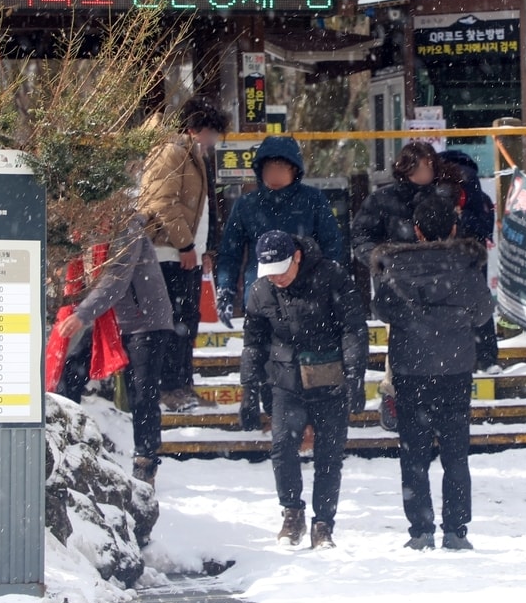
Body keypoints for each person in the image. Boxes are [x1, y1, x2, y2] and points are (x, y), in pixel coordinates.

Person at [372, 195, 494, 550]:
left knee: (414, 453)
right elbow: (483, 311)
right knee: (456, 453)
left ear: (418, 230)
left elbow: (382, 310)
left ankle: (421, 530)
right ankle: (456, 530)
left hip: (411, 370)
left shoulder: (396, 267)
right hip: (455, 369)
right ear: (454, 227)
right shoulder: (466, 267)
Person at [239, 230, 368, 548]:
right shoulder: (260, 292)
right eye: (270, 273)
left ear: (297, 256)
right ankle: (292, 512)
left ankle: (323, 523)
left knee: (329, 456)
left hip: (329, 377)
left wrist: (355, 376)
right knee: (282, 449)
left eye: (282, 270)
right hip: (284, 380)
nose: (277, 279)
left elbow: (353, 329)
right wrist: (248, 390)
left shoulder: (332, 277)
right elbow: (253, 344)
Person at [55, 212, 175, 487]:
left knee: (142, 393)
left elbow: (115, 282)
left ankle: (145, 462)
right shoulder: (80, 232)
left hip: (146, 322)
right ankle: (70, 444)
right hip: (108, 320)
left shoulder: (127, 231)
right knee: (72, 372)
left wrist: (82, 315)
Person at [138, 96, 227, 412]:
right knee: (174, 322)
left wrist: (202, 248)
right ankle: (170, 388)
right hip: (167, 253)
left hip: (185, 253)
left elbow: (199, 210)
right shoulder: (172, 152)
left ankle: (182, 385)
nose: (213, 141)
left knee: (186, 321)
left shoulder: (192, 156)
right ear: (195, 129)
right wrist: (186, 245)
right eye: (211, 133)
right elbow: (164, 204)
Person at [214, 135, 345, 326]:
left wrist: (330, 285)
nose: (273, 172)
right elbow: (230, 253)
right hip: (259, 294)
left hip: (307, 294)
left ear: (294, 169)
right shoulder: (246, 204)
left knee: (305, 350)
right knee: (259, 350)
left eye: (280, 167)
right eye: (268, 167)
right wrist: (226, 290)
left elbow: (331, 245)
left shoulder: (313, 200)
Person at [438, 147, 500, 372]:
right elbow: (484, 226)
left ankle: (453, 358)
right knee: (478, 303)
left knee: (443, 303)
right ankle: (487, 358)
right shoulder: (477, 188)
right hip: (472, 253)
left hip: (440, 252)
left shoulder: (436, 180)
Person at [350, 141, 443, 268]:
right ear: (407, 168)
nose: (426, 174)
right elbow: (361, 236)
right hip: (393, 278)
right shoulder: (381, 199)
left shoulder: (441, 198)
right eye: (421, 169)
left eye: (430, 169)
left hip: (437, 275)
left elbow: (456, 236)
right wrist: (382, 261)